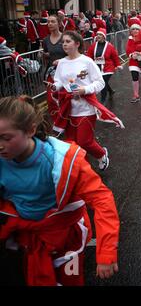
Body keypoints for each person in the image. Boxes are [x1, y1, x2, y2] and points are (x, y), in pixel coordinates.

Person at [0, 95, 120, 285]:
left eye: (6, 138)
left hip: (67, 241)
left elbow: (102, 199)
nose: (0, 145)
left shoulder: (64, 161)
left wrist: (106, 251)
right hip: (27, 239)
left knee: (70, 281)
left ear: (30, 130)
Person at [50, 31, 124, 171]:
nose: (64, 44)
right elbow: (59, 80)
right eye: (63, 42)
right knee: (71, 143)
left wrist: (85, 89)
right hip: (68, 109)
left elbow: (100, 83)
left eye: (68, 41)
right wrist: (55, 86)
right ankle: (80, 168)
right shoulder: (62, 63)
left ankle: (102, 154)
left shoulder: (87, 61)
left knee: (85, 141)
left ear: (77, 44)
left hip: (86, 108)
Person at [86, 28, 122, 104]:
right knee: (103, 82)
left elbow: (115, 56)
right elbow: (89, 55)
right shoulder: (93, 46)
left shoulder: (109, 46)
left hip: (108, 68)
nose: (98, 36)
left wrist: (118, 65)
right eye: (97, 34)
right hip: (97, 68)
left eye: (100, 35)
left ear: (104, 36)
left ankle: (103, 100)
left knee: (103, 81)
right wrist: (87, 64)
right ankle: (111, 91)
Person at [42, 15, 66, 122]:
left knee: (65, 98)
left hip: (66, 73)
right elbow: (47, 53)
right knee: (51, 100)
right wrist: (44, 54)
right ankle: (57, 123)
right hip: (52, 73)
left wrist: (61, 61)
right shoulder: (46, 40)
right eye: (48, 22)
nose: (50, 24)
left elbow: (73, 53)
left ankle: (66, 120)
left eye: (52, 21)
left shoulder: (65, 38)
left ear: (59, 23)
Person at [126, 23, 141, 103]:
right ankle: (136, 95)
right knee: (135, 76)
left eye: (137, 29)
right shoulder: (130, 39)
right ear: (131, 31)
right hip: (133, 61)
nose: (135, 31)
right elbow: (128, 50)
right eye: (133, 29)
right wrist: (132, 54)